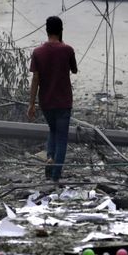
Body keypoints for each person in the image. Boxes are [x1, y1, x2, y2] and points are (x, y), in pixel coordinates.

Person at [27, 16, 77, 181]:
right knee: (62, 137)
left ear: (47, 30)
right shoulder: (67, 49)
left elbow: (35, 79)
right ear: (61, 30)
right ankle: (56, 174)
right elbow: (74, 70)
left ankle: (50, 156)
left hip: (46, 102)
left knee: (53, 130)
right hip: (63, 101)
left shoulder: (38, 52)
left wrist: (31, 104)